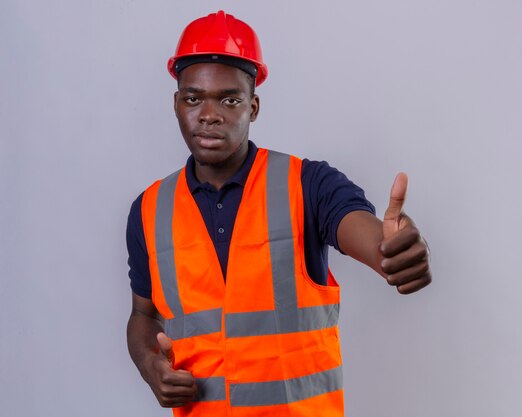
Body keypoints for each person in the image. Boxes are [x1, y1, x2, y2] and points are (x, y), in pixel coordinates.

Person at [126, 10, 431, 417]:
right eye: (193, 98)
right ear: (177, 103)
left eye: (229, 99)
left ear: (253, 107)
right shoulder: (149, 210)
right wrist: (151, 366)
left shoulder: (308, 184)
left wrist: (391, 249)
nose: (209, 114)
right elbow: (143, 315)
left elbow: (366, 234)